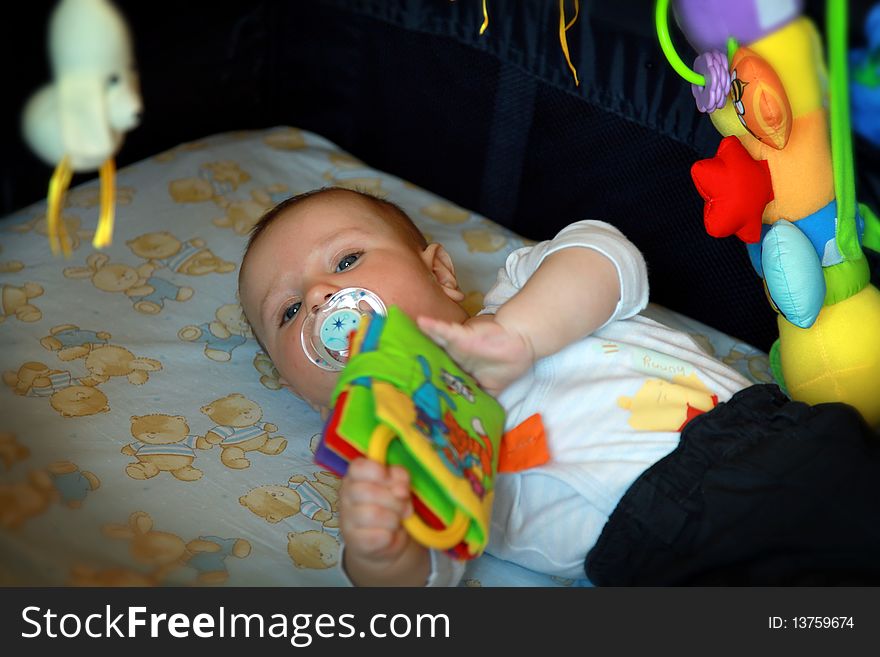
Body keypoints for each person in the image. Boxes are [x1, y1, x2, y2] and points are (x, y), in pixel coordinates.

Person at [238, 186, 880, 587]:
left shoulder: (524, 290)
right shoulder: (399, 451)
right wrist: (380, 549)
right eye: (289, 312)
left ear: (441, 274)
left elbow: (606, 256)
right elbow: (427, 579)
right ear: (304, 392)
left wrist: (520, 333)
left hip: (760, 447)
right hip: (656, 562)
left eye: (346, 261)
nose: (323, 299)